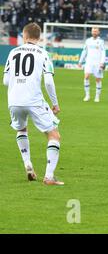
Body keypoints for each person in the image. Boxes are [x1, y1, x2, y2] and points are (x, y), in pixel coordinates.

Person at [3, 23, 63, 185]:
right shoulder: (43, 53)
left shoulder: (13, 52)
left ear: (24, 35)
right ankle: (49, 177)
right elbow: (49, 82)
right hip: (34, 99)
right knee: (54, 135)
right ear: (39, 37)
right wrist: (55, 104)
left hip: (14, 100)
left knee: (21, 129)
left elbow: (6, 81)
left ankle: (28, 163)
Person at [78, 27, 106, 103]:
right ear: (91, 32)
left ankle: (97, 96)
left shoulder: (101, 41)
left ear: (98, 32)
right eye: (93, 31)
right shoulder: (88, 41)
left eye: (96, 31)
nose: (94, 32)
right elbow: (84, 51)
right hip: (89, 62)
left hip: (98, 63)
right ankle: (87, 95)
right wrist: (80, 61)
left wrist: (102, 62)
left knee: (98, 79)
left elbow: (103, 52)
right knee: (86, 77)